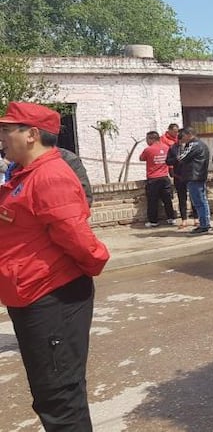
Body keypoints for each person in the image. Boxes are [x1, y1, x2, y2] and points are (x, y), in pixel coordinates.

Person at [0, 101, 110, 431]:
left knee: (59, 396)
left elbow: (77, 239)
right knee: (51, 393)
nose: (1, 137)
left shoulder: (49, 176)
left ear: (32, 134)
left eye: (6, 130)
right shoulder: (25, 174)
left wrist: (95, 261)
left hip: (52, 297)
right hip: (30, 295)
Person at [176, 127, 211, 234]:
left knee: (198, 202)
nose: (181, 139)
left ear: (188, 134)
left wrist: (181, 146)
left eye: (182, 136)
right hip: (199, 175)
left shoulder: (193, 145)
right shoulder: (202, 144)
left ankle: (204, 224)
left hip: (194, 176)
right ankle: (205, 223)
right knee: (202, 201)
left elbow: (181, 157)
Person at [139, 131, 177, 227]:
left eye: (147, 139)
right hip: (165, 177)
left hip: (153, 179)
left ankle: (153, 221)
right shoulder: (166, 148)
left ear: (151, 139)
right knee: (167, 199)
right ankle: (171, 218)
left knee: (152, 201)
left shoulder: (148, 150)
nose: (147, 141)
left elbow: (141, 158)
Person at [166, 139, 197, 229]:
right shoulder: (173, 148)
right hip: (179, 176)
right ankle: (184, 219)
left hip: (190, 175)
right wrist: (175, 159)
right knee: (182, 198)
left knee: (193, 197)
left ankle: (196, 218)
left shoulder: (191, 147)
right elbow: (168, 161)